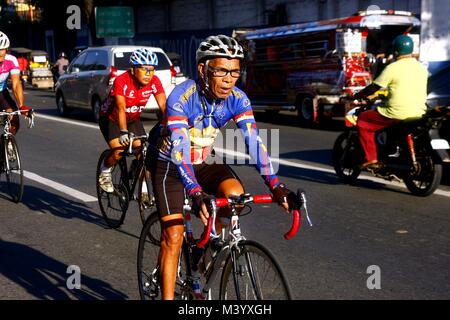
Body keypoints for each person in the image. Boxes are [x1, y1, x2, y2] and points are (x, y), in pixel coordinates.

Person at [147, 35, 294, 300]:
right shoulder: (181, 98)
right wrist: (195, 192)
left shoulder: (238, 98)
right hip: (170, 163)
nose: (229, 79)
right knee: (174, 234)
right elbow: (179, 151)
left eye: (235, 72)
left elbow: (253, 141)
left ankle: (204, 256)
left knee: (235, 197)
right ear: (203, 69)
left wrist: (275, 184)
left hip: (203, 159)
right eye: (222, 71)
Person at [98, 48, 167, 197]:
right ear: (133, 69)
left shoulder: (154, 81)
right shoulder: (122, 80)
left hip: (132, 119)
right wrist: (123, 132)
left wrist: (175, 126)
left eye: (152, 70)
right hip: (111, 119)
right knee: (119, 151)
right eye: (144, 69)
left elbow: (164, 107)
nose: (149, 74)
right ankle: (105, 170)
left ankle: (142, 189)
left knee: (145, 155)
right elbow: (121, 108)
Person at [354, 34, 428, 169]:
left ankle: (372, 159)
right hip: (419, 112)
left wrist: (357, 95)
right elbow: (404, 87)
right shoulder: (421, 68)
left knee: (364, 120)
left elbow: (374, 87)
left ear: (395, 50)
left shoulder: (393, 67)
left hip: (396, 113)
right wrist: (385, 94)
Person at [0, 31, 31, 135]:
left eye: (3, 49)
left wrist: (22, 106)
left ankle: (7, 145)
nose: (1, 53)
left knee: (14, 120)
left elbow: (16, 84)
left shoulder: (11, 60)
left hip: (1, 92)